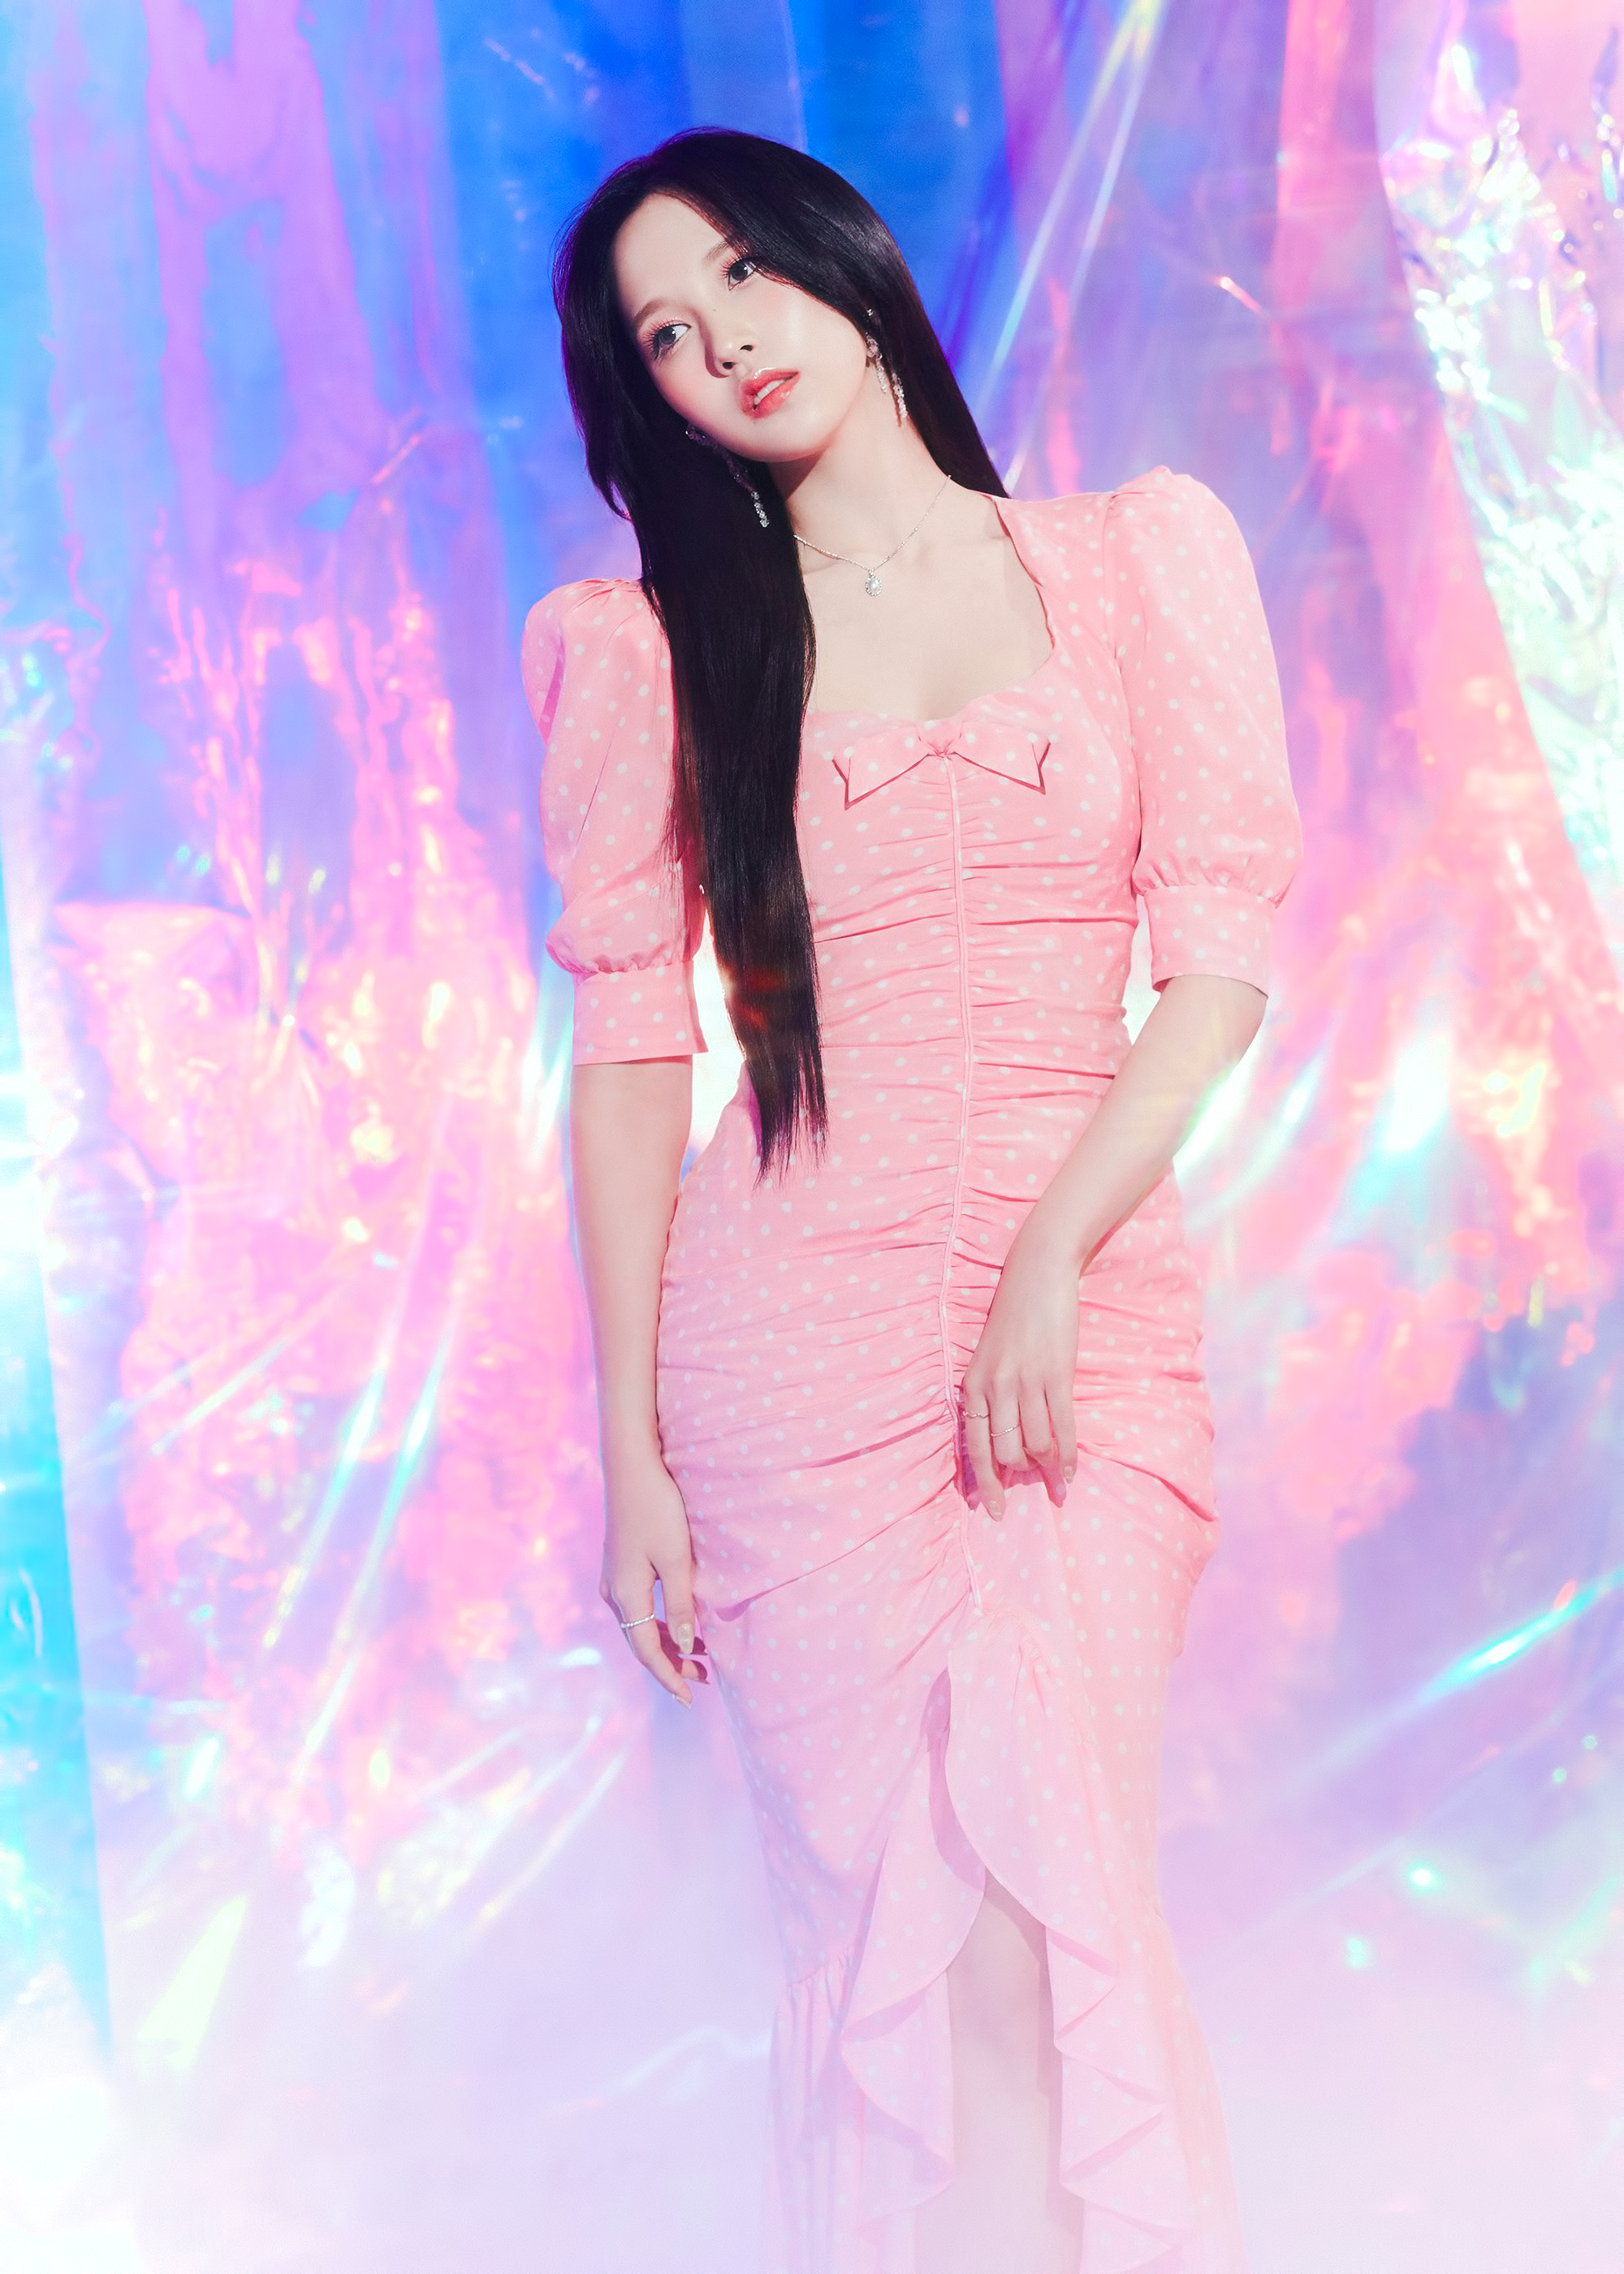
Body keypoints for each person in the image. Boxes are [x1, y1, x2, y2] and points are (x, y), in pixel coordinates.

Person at [525, 128, 1300, 2274]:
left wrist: (1053, 1249)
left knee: (1064, 1912)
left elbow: (1218, 961)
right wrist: (629, 1450)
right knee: (917, 1960)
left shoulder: (1137, 561)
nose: (723, 343)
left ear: (843, 261)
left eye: (740, 275)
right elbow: (632, 1062)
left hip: (1079, 1330)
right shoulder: (655, 650)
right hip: (790, 1355)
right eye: (662, 337)